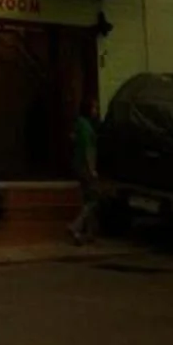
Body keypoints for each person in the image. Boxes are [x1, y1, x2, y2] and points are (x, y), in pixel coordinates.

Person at [69, 96, 100, 245]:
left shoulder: (79, 124)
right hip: (85, 167)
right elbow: (89, 149)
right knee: (93, 199)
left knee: (87, 199)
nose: (96, 111)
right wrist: (92, 169)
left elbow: (73, 138)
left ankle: (88, 233)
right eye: (94, 108)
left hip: (78, 165)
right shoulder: (86, 127)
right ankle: (76, 225)